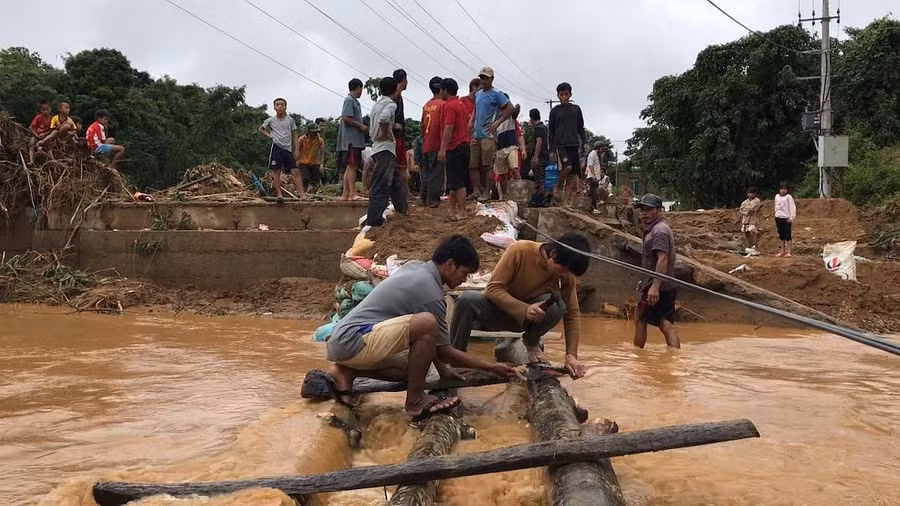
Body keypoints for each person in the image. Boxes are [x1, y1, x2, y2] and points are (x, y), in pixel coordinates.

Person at [326, 235, 519, 420]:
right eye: (464, 273)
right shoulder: (430, 292)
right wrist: (491, 366)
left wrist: (443, 371)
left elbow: (432, 344)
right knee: (427, 322)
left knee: (416, 369)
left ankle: (348, 372)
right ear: (450, 264)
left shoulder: (416, 267)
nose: (464, 280)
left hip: (347, 341)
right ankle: (415, 401)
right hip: (352, 340)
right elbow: (444, 351)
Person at [449, 233, 590, 377]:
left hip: (528, 322)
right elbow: (492, 289)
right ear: (553, 254)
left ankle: (532, 341)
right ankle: (456, 358)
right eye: (564, 271)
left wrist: (571, 355)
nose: (566, 276)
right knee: (467, 299)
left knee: (558, 305)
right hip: (495, 313)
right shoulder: (519, 251)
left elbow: (572, 314)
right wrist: (524, 309)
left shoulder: (566, 277)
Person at [633, 193, 680, 349]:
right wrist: (645, 280)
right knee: (664, 322)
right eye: (643, 210)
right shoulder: (654, 229)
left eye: (649, 210)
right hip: (663, 284)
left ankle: (637, 356)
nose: (644, 213)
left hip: (659, 285)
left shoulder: (659, 231)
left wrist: (655, 286)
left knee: (640, 318)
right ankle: (674, 356)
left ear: (659, 210)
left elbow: (662, 259)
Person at [366, 77, 408, 227]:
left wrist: (391, 126)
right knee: (381, 185)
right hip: (385, 147)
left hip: (378, 147)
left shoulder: (378, 104)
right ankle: (374, 219)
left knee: (395, 181)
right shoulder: (390, 104)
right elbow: (384, 119)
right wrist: (386, 133)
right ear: (395, 88)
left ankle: (402, 209)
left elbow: (381, 119)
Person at [470, 66, 515, 202]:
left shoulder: (497, 94)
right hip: (476, 133)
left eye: (486, 78)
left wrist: (498, 122)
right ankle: (476, 190)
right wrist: (472, 120)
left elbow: (510, 108)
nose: (483, 80)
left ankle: (487, 192)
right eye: (482, 78)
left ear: (491, 79)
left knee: (487, 165)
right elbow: (476, 109)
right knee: (472, 165)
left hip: (488, 135)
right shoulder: (478, 94)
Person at [259, 97, 304, 202]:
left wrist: (296, 149)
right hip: (277, 147)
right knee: (276, 172)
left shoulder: (290, 120)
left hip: (287, 148)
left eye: (282, 105)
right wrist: (270, 136)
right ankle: (279, 195)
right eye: (277, 105)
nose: (280, 107)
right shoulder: (271, 120)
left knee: (295, 171)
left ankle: (302, 194)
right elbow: (261, 128)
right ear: (274, 107)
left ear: (285, 107)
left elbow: (295, 134)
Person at [438, 78, 471, 222]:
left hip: (455, 147)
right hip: (463, 145)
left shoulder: (450, 106)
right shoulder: (461, 104)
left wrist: (442, 149)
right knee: (453, 182)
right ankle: (452, 211)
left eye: (441, 89)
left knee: (458, 183)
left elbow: (449, 128)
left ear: (445, 90)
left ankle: (462, 212)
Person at [548, 83, 586, 208]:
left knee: (573, 175)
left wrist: (584, 142)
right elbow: (551, 131)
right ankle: (558, 186)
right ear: (558, 96)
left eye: (566, 94)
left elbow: (580, 127)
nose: (564, 97)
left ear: (570, 94)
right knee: (567, 167)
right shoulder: (554, 111)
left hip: (574, 144)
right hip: (561, 145)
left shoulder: (576, 109)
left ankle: (566, 202)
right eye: (561, 94)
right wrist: (552, 149)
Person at [338, 79, 368, 201]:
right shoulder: (349, 100)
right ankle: (352, 193)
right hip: (351, 140)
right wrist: (360, 126)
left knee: (350, 166)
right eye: (361, 89)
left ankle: (346, 194)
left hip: (355, 139)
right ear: (358, 88)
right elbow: (345, 117)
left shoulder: (355, 102)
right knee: (352, 166)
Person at [421, 76, 445, 207]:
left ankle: (424, 198)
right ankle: (433, 200)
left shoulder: (426, 105)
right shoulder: (443, 104)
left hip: (426, 142)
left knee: (426, 173)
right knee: (436, 172)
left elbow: (422, 125)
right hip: (437, 143)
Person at [492, 97, 521, 200]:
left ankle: (519, 194)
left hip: (511, 146)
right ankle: (504, 196)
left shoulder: (511, 116)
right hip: (500, 148)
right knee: (502, 174)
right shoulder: (495, 118)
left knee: (514, 169)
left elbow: (516, 108)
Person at [527, 108, 550, 207]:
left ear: (531, 118)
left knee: (540, 180)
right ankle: (544, 199)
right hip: (546, 156)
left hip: (540, 157)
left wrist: (535, 156)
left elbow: (539, 141)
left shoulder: (538, 128)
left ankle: (541, 199)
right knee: (543, 178)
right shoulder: (545, 127)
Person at [296, 125, 326, 193]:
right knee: (305, 179)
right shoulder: (302, 139)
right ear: (309, 132)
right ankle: (303, 194)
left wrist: (321, 164)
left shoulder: (320, 140)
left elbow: (322, 153)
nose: (315, 134)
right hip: (303, 162)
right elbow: (297, 150)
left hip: (314, 163)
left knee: (316, 182)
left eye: (316, 132)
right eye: (314, 132)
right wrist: (297, 161)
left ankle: (312, 194)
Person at [774, 182, 797, 257]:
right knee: (781, 235)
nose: (783, 191)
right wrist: (776, 214)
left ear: (787, 190)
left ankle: (789, 251)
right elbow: (776, 206)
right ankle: (782, 251)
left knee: (787, 235)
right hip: (778, 217)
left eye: (785, 189)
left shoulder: (788, 197)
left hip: (786, 218)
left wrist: (791, 217)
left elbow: (792, 207)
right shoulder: (777, 196)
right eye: (781, 189)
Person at [739, 187, 762, 254]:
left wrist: (746, 208)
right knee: (746, 233)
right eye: (749, 193)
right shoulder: (744, 202)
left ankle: (755, 247)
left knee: (753, 232)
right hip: (745, 220)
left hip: (752, 220)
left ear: (755, 194)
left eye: (751, 193)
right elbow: (741, 210)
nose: (750, 195)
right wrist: (747, 210)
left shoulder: (757, 201)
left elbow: (753, 208)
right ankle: (749, 246)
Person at [586, 142, 608, 210]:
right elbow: (590, 165)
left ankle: (592, 208)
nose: (602, 150)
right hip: (592, 177)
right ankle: (591, 207)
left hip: (595, 177)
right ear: (598, 148)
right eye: (601, 148)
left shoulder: (597, 155)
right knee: (592, 193)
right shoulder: (592, 154)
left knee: (594, 193)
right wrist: (594, 175)